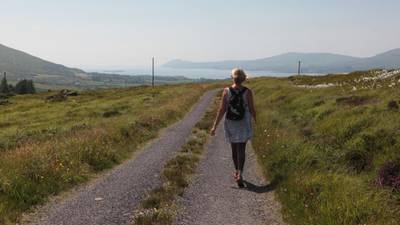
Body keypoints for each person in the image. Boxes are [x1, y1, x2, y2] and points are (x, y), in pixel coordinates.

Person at [210, 68, 256, 188]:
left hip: (231, 122)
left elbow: (222, 110)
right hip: (243, 122)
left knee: (234, 149)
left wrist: (215, 126)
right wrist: (255, 121)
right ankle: (240, 173)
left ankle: (236, 171)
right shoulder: (248, 91)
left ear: (233, 78)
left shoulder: (226, 91)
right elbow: (251, 109)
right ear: (244, 78)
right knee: (242, 148)